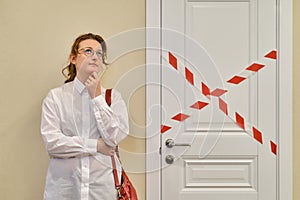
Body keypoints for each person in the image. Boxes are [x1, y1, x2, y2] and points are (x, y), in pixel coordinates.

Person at [40, 33, 129, 199]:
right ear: (73, 58)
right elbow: (53, 143)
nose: (95, 57)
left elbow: (115, 137)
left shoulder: (112, 98)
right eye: (88, 51)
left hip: (102, 189)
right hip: (65, 190)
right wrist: (96, 146)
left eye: (99, 53)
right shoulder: (56, 97)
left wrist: (96, 97)